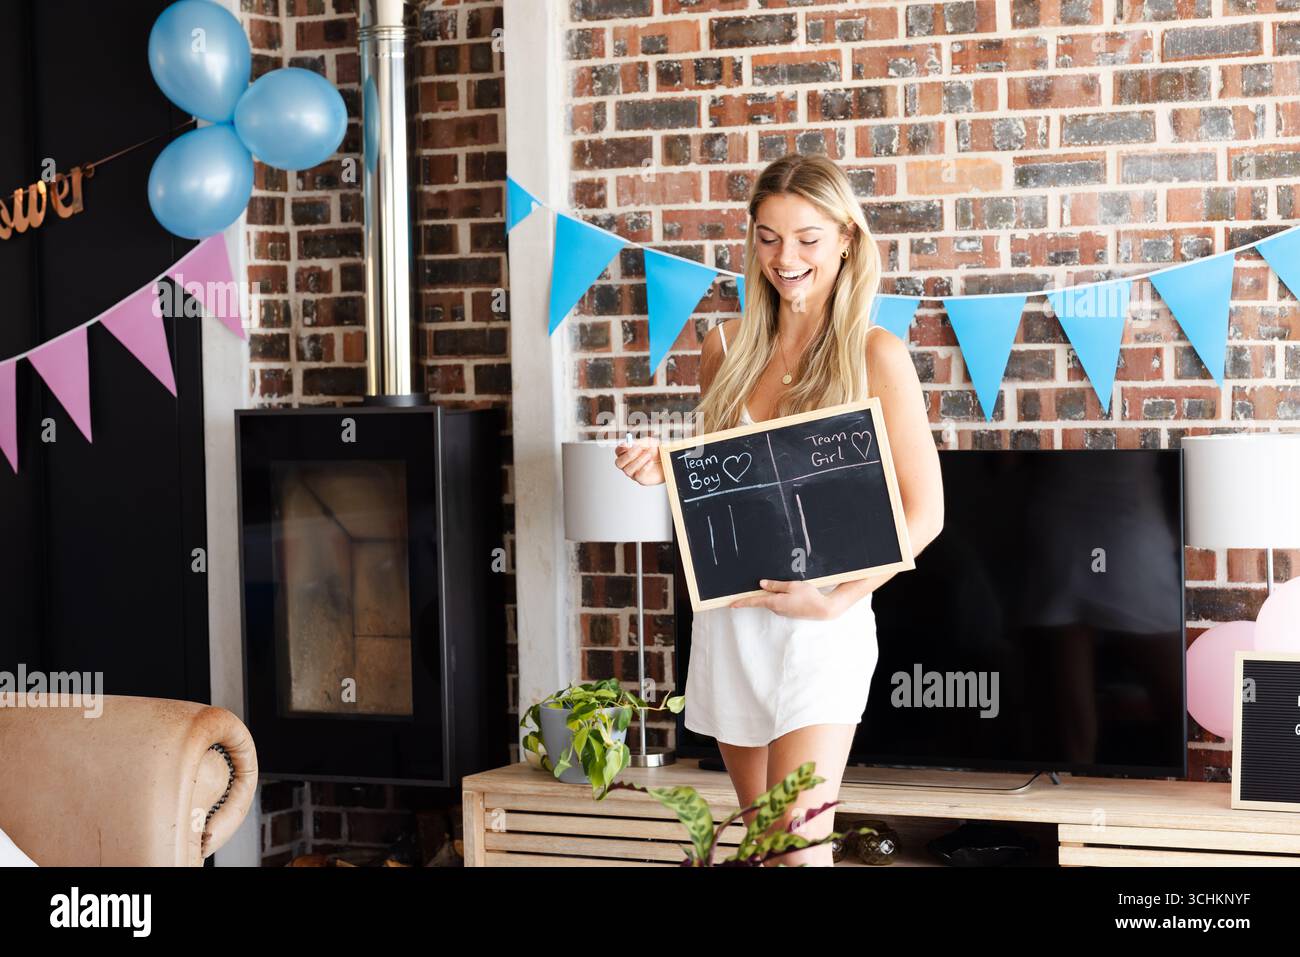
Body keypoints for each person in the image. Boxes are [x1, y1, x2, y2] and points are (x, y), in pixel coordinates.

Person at [613, 153, 944, 866]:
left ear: (847, 239)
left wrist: (835, 602)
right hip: (734, 625)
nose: (785, 257)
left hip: (824, 629)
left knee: (798, 843)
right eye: (768, 237)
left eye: (807, 238)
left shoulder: (876, 353)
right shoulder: (724, 347)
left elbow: (927, 513)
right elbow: (731, 494)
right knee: (764, 847)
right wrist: (663, 471)